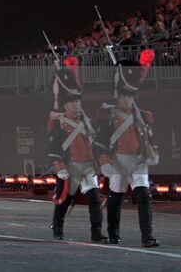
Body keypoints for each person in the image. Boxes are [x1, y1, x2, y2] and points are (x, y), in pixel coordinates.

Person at [98, 51, 160, 247]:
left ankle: (147, 236)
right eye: (125, 96)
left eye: (130, 96)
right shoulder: (107, 114)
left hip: (139, 159)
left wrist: (154, 152)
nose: (128, 100)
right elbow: (101, 142)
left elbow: (149, 136)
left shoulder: (142, 115)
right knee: (117, 196)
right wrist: (105, 162)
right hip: (118, 160)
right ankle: (113, 233)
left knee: (143, 195)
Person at [47, 56, 103, 242]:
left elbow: (92, 142)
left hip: (87, 166)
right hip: (70, 166)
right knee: (65, 199)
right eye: (73, 102)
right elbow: (54, 146)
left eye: (78, 102)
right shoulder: (59, 122)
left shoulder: (86, 121)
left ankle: (96, 232)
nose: (76, 105)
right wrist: (59, 166)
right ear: (65, 104)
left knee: (95, 200)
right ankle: (58, 227)